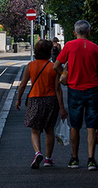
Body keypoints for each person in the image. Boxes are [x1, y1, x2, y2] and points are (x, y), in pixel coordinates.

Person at [56, 19, 98, 170]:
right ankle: (91, 159)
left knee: (75, 125)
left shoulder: (69, 46)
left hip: (75, 89)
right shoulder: (96, 48)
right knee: (91, 126)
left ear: (74, 32)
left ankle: (74, 158)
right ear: (89, 32)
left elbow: (56, 66)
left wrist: (64, 78)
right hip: (93, 90)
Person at [15, 38, 66, 168]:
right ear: (50, 52)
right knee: (49, 130)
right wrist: (62, 108)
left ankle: (38, 152)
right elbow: (58, 89)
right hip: (50, 100)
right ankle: (48, 159)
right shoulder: (52, 67)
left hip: (35, 100)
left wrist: (19, 99)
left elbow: (22, 85)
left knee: (35, 130)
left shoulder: (30, 66)